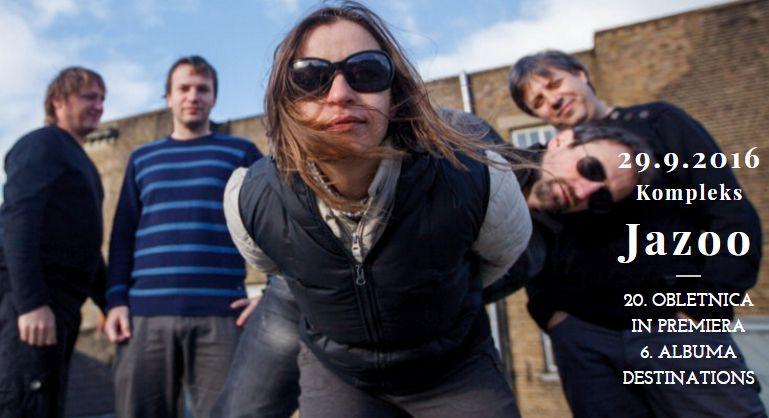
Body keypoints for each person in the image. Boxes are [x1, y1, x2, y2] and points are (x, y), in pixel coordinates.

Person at [223, 3, 531, 417]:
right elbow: (276, 267)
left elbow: (497, 260)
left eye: (367, 72)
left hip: (454, 369)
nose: (340, 94)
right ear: (286, 100)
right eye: (310, 78)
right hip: (339, 373)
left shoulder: (477, 174)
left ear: (394, 93)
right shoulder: (250, 198)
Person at [505, 50, 765, 417]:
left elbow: (730, 214)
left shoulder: (659, 123)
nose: (553, 100)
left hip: (674, 323)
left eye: (554, 84)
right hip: (585, 334)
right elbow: (535, 243)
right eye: (538, 102)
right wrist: (553, 315)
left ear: (581, 73)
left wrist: (702, 307)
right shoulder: (549, 170)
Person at [212, 107, 508, 418]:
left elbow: (496, 265)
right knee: (246, 406)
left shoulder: (491, 195)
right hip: (304, 286)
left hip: (406, 325)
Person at [103, 56, 262, 418]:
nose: (193, 96)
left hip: (222, 316)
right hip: (145, 317)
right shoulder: (142, 159)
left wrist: (271, 291)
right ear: (168, 97)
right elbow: (123, 236)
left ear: (214, 97)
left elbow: (274, 222)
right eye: (184, 88)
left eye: (202, 89)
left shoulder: (240, 153)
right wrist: (115, 301)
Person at [0, 67, 107, 418]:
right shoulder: (41, 145)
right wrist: (31, 303)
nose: (99, 106)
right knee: (23, 402)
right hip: (29, 308)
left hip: (61, 310)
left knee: (48, 405)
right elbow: (18, 220)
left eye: (102, 99)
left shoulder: (82, 163)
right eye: (89, 97)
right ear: (58, 102)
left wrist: (112, 303)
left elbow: (86, 248)